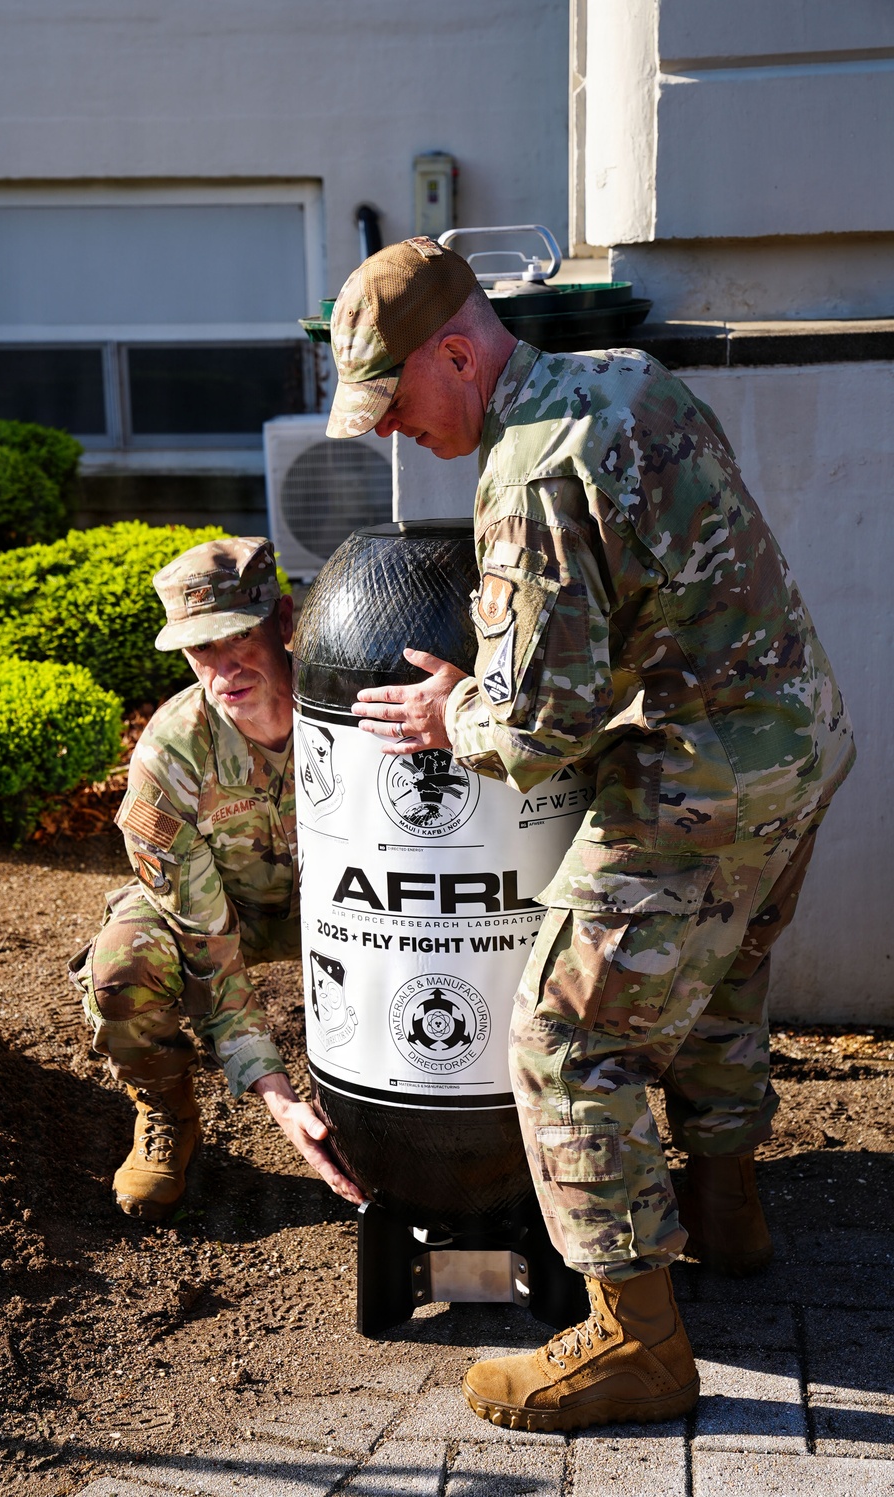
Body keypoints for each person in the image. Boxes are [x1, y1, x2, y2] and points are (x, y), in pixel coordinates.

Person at [327, 238, 854, 1431]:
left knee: (567, 1039)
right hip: (797, 737)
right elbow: (657, 590)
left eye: (394, 400)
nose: (392, 430)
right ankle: (725, 1213)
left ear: (455, 353)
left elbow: (532, 731)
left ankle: (635, 1346)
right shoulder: (624, 377)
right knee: (716, 978)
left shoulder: (526, 477)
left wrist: (448, 712)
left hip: (700, 781)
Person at [70, 536, 364, 1221]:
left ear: (283, 620)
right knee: (122, 967)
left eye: (238, 636)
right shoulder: (171, 756)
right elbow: (209, 948)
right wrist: (277, 1096)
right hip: (225, 910)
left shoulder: (353, 709)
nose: (222, 667)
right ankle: (166, 1110)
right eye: (200, 648)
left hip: (348, 906)